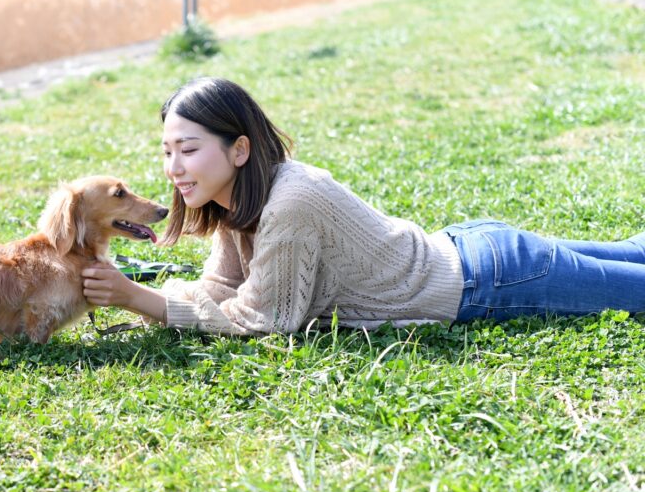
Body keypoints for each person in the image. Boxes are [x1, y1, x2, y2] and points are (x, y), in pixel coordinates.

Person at [81, 77, 645, 335]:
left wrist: (140, 299)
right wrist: (152, 296)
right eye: (167, 151)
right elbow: (224, 286)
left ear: (239, 148)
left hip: (491, 281)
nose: (173, 167)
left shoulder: (288, 204)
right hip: (477, 251)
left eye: (189, 149)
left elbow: (266, 318)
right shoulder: (239, 199)